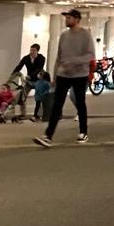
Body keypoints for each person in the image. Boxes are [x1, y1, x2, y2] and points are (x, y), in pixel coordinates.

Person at [35, 9, 94, 147]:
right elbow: (59, 56)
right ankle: (48, 136)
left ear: (77, 19)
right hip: (63, 74)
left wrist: (74, 61)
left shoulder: (86, 35)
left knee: (80, 103)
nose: (66, 20)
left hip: (80, 74)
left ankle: (83, 132)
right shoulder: (64, 35)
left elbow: (90, 55)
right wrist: (55, 75)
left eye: (69, 18)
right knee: (57, 105)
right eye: (66, 18)